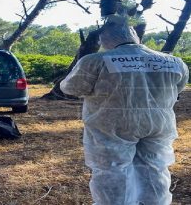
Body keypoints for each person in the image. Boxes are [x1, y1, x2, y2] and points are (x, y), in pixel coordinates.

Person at [60, 14, 189, 205]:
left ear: (105, 39)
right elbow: (177, 88)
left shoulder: (97, 60)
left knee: (112, 169)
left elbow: (71, 88)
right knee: (155, 167)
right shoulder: (174, 62)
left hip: (112, 123)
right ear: (134, 36)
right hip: (159, 123)